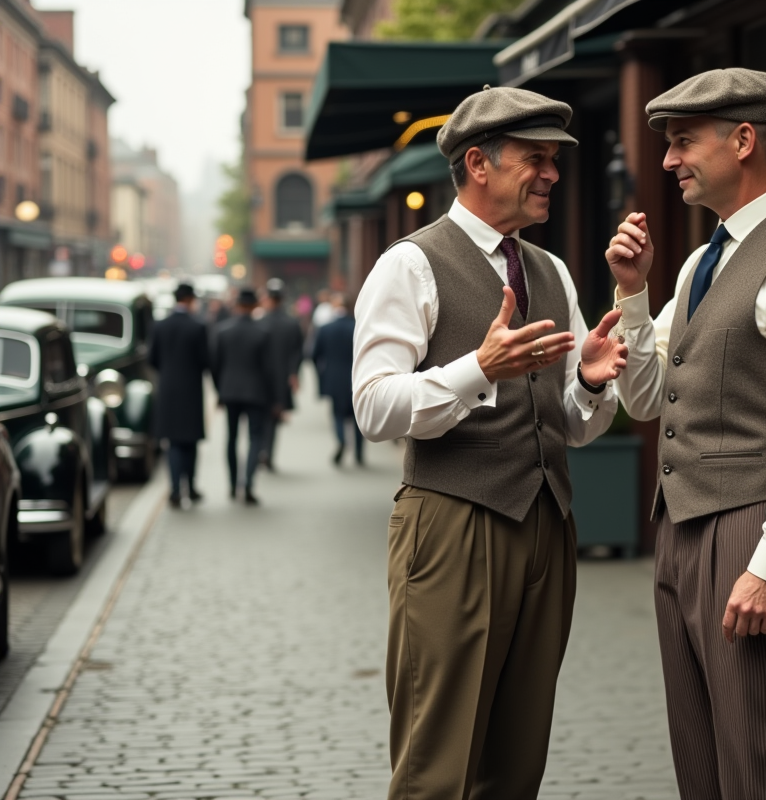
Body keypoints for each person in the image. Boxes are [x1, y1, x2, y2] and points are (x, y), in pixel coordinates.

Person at [353, 85, 628, 800]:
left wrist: (589, 384)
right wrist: (478, 368)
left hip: (546, 527)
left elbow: (573, 425)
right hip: (452, 524)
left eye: (555, 160)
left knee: (517, 762)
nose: (553, 175)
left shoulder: (551, 271)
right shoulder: (410, 264)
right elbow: (373, 407)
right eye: (536, 159)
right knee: (438, 765)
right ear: (479, 163)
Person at [605, 68, 766, 798]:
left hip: (752, 533)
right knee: (699, 764)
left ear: (745, 140)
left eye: (683, 141)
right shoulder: (700, 262)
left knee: (758, 764)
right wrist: (633, 294)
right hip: (681, 532)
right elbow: (649, 398)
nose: (668, 160)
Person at [148, 282, 208, 508]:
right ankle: (190, 487)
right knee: (190, 442)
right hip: (191, 390)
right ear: (190, 299)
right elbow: (205, 360)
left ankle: (174, 490)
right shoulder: (198, 327)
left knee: (172, 442)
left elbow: (152, 359)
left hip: (168, 390)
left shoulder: (160, 326)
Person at [213, 288, 274, 505]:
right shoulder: (263, 332)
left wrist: (219, 391)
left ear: (237, 305)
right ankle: (248, 483)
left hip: (230, 392)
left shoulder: (222, 331)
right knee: (255, 438)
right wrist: (273, 397)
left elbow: (216, 366)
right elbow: (269, 369)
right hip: (256, 392)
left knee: (231, 438)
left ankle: (232, 484)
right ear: (255, 306)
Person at [258, 278, 304, 471]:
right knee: (273, 418)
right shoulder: (291, 323)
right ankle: (267, 452)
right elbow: (298, 353)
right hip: (282, 377)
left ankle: (260, 450)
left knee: (260, 418)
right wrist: (293, 374)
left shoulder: (260, 322)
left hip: (261, 377)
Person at [312, 293, 362, 465]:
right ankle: (359, 454)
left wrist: (321, 374)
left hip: (333, 378)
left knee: (337, 415)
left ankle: (341, 440)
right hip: (356, 378)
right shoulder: (357, 327)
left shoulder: (325, 328)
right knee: (357, 417)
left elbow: (314, 355)